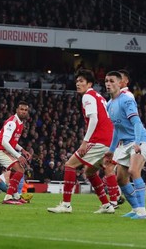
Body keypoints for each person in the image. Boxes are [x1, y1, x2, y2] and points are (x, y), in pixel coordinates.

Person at [48, 69, 115, 214]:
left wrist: (85, 142)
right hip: (108, 139)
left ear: (89, 83)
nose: (78, 84)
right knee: (90, 171)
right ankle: (107, 205)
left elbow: (94, 119)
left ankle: (66, 205)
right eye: (77, 81)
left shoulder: (88, 96)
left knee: (70, 165)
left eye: (81, 81)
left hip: (99, 140)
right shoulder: (99, 97)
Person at [104, 71, 146, 219]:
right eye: (106, 81)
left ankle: (142, 212)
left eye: (112, 81)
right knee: (121, 179)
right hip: (124, 143)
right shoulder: (110, 104)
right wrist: (111, 150)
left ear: (120, 83)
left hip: (139, 139)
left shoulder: (127, 100)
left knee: (133, 170)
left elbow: (136, 122)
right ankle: (135, 209)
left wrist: (137, 143)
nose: (108, 84)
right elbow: (117, 130)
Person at [0, 101, 32, 205]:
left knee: (17, 170)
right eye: (21, 109)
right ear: (17, 110)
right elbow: (4, 142)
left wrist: (22, 150)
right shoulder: (12, 122)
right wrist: (18, 156)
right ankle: (8, 197)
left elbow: (12, 142)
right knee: (20, 170)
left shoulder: (20, 123)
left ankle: (15, 196)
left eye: (25, 110)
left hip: (4, 150)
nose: (23, 112)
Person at [102, 69, 132, 207]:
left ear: (124, 82)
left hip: (125, 142)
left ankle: (115, 200)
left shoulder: (127, 96)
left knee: (110, 169)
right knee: (120, 177)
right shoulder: (114, 99)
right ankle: (120, 198)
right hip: (120, 141)